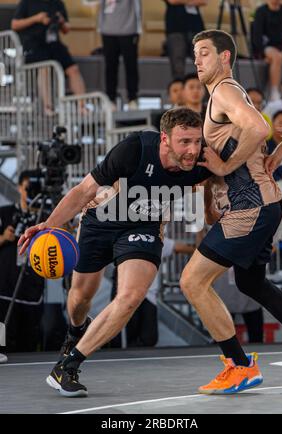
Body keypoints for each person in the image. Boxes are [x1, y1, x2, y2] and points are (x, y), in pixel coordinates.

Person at [18, 107, 211, 397]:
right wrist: (48, 224)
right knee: (81, 297)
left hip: (144, 228)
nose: (192, 150)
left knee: (131, 296)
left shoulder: (203, 161)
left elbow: (229, 170)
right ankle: (75, 332)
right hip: (101, 222)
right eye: (185, 142)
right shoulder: (134, 149)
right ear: (165, 139)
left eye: (197, 141)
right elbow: (84, 190)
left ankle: (67, 367)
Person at [179, 29, 282, 395]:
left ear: (225, 57)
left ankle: (239, 366)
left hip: (253, 206)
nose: (197, 60)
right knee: (250, 281)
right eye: (194, 53)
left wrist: (224, 167)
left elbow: (259, 127)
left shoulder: (225, 92)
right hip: (264, 203)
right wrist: (278, 153)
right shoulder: (229, 93)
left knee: (192, 281)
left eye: (204, 53)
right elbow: (271, 133)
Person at [11, 0, 86, 114]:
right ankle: (48, 107)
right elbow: (15, 25)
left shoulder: (57, 3)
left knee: (73, 69)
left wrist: (61, 21)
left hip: (54, 43)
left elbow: (66, 29)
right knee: (44, 68)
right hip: (34, 44)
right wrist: (37, 19)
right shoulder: (27, 2)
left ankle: (82, 106)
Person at [0, 171, 44, 353]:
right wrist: (3, 237)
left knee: (29, 345)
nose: (31, 192)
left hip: (32, 290)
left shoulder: (45, 217)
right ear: (19, 188)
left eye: (35, 188)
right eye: (28, 188)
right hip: (4, 290)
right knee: (4, 342)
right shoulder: (5, 213)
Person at [251, 0, 282, 101]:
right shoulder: (261, 11)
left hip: (281, 46)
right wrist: (262, 53)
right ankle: (274, 92)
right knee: (277, 57)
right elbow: (256, 38)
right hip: (265, 47)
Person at [98, 0, 142, 109]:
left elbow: (137, 6)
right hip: (108, 30)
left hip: (129, 30)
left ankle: (132, 98)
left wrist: (138, 29)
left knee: (131, 66)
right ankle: (110, 99)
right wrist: (100, 28)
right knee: (110, 66)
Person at [164, 0, 207, 80]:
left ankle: (206, 91)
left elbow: (203, 1)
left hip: (196, 26)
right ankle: (179, 88)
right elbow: (172, 1)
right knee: (178, 65)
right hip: (175, 26)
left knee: (203, 63)